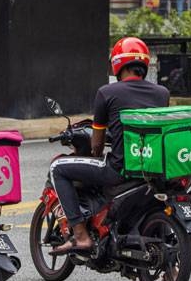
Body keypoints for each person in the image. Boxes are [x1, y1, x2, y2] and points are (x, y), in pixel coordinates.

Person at [50, 37, 170, 255]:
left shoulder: (107, 93)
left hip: (119, 170)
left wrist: (95, 152)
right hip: (152, 168)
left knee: (57, 168)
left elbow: (96, 144)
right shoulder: (162, 93)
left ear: (117, 64)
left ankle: (81, 236)